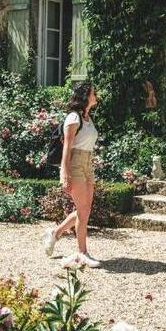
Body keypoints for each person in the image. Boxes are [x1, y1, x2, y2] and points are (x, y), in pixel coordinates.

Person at [41, 81, 101, 268]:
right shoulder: (73, 118)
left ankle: (55, 233)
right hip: (74, 164)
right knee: (83, 211)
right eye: (93, 92)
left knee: (85, 210)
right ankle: (82, 253)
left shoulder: (88, 118)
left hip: (87, 163)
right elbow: (67, 147)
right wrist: (64, 172)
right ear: (86, 96)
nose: (96, 95)